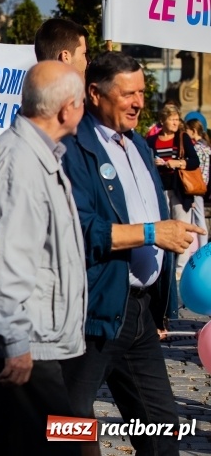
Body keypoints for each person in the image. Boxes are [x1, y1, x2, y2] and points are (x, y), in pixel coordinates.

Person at [60, 51, 205, 456]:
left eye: (142, 92)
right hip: (96, 308)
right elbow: (80, 231)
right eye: (128, 94)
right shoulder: (73, 148)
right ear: (95, 93)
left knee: (161, 434)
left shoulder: (138, 144)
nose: (139, 102)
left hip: (140, 313)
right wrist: (151, 233)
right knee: (65, 424)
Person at [0, 61, 87, 456]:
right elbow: (2, 263)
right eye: (81, 101)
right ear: (66, 108)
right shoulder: (20, 164)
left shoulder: (39, 155)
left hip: (38, 335)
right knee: (61, 443)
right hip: (27, 340)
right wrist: (16, 341)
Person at [146, 104, 200, 279]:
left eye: (177, 119)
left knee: (182, 226)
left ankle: (181, 267)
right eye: (172, 119)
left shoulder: (182, 138)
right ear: (163, 121)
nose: (176, 123)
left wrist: (177, 163)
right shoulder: (151, 141)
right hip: (159, 188)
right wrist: (155, 163)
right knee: (163, 226)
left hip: (179, 189)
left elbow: (194, 161)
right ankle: (163, 265)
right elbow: (144, 162)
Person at [185, 118, 210, 247]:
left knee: (198, 219)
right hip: (202, 186)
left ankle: (202, 247)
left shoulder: (197, 149)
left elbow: (195, 169)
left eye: (187, 130)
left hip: (195, 186)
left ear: (193, 131)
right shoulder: (206, 146)